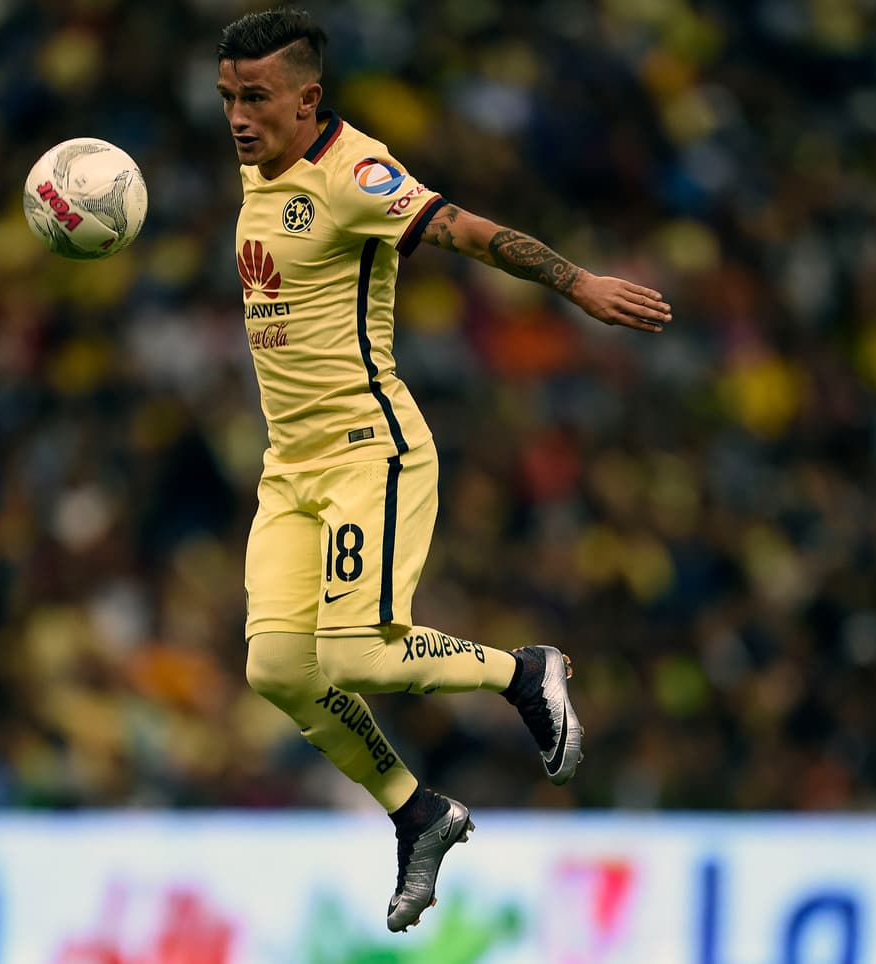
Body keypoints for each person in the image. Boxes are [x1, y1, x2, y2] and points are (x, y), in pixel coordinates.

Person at [217, 7, 671, 933]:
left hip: (366, 450)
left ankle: (522, 672)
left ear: (309, 99)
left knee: (350, 651)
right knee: (277, 668)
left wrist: (576, 281)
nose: (237, 115)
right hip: (289, 468)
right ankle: (417, 810)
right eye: (227, 96)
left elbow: (460, 228)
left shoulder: (353, 173)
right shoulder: (259, 159)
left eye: (255, 97)